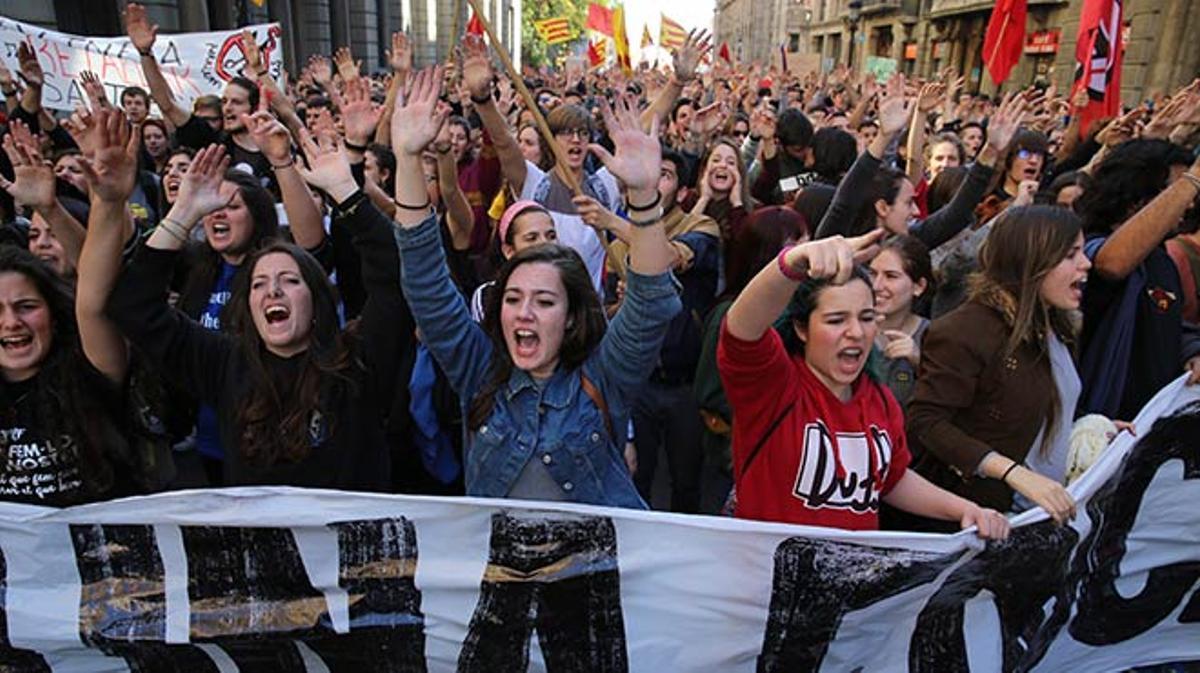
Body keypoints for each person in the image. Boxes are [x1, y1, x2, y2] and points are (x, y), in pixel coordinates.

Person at [393, 67, 681, 507]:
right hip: (501, 572)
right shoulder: (479, 370)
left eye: (544, 301)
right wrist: (408, 161)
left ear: (570, 317)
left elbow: (651, 303)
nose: (524, 312)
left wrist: (643, 194)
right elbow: (426, 284)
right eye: (513, 299)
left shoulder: (604, 374)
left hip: (593, 570)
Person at [108, 130, 408, 489]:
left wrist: (346, 190)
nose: (273, 291)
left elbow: (391, 276)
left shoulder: (356, 360)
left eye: (290, 281)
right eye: (259, 284)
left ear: (316, 300)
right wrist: (182, 213)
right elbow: (133, 308)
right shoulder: (225, 362)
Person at [717, 226, 1009, 537]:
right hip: (764, 577)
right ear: (802, 329)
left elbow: (892, 478)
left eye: (867, 317)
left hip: (850, 579)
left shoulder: (880, 400)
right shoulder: (774, 385)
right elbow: (740, 328)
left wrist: (965, 509)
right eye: (836, 320)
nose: (856, 332)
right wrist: (791, 264)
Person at [907, 206, 1092, 526]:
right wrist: (1011, 472)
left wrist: (1094, 430)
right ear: (1031, 261)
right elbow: (926, 422)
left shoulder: (1057, 326)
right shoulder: (965, 330)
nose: (1086, 263)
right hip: (974, 522)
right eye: (1070, 255)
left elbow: (1039, 411)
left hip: (1037, 517)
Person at [693, 206, 808, 513]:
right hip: (734, 463)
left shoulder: (805, 310)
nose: (805, 258)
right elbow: (709, 394)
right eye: (793, 250)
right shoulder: (730, 318)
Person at [1075, 140, 1200, 420]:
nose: (1188, 201)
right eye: (1176, 189)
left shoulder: (1161, 263)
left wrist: (1191, 351)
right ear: (1135, 199)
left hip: (1144, 430)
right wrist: (1196, 175)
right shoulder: (1083, 249)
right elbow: (1111, 265)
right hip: (1093, 428)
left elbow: (1170, 325)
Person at [869, 235, 934, 412]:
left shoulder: (934, 336)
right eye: (873, 273)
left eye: (891, 276)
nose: (876, 285)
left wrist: (920, 364)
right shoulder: (850, 330)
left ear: (918, 286)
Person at [469, 200, 557, 322]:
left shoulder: (571, 288)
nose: (545, 243)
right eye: (532, 238)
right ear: (509, 251)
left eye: (551, 236)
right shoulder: (487, 296)